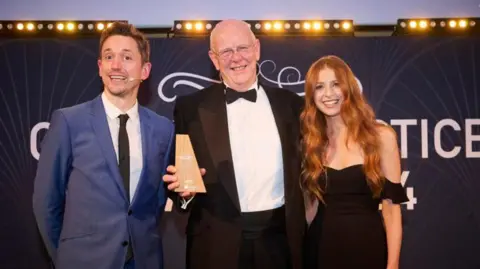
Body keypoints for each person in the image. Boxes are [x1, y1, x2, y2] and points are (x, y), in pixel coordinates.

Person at [163, 19, 305, 269]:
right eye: (226, 51)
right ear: (214, 59)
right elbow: (180, 180)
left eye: (243, 48)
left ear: (257, 49)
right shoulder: (190, 109)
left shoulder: (292, 106)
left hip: (279, 244)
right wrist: (183, 194)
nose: (236, 58)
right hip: (214, 246)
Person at [32, 22, 174, 269]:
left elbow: (157, 202)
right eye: (109, 57)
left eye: (127, 57)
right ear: (100, 67)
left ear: (145, 70)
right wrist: (66, 257)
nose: (116, 65)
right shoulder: (68, 121)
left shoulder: (163, 128)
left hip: (144, 261)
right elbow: (46, 203)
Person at [300, 55, 408, 269]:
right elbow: (308, 211)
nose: (328, 94)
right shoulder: (310, 143)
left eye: (335, 85)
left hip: (368, 246)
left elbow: (392, 210)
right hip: (320, 250)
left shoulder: (380, 137)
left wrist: (393, 264)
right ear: (312, 95)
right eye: (319, 87)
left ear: (349, 88)